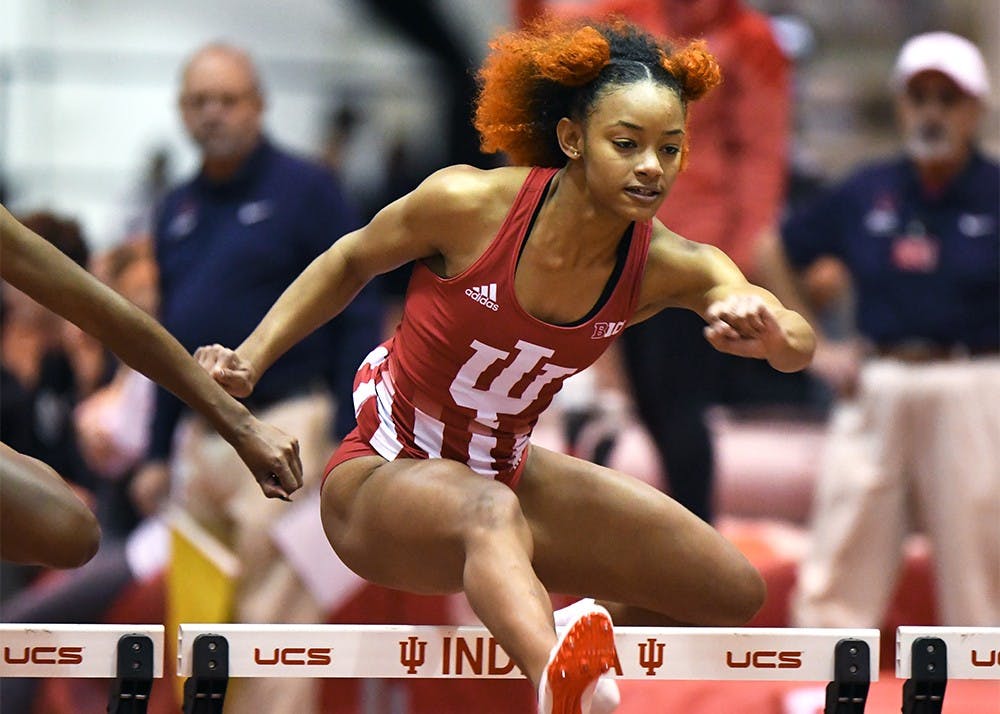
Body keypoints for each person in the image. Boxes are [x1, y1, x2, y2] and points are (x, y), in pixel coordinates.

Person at [195, 17, 815, 714]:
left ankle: (580, 638)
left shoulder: (670, 263)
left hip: (506, 472)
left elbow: (792, 338)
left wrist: (769, 330)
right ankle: (562, 687)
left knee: (730, 589)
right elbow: (350, 259)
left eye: (671, 149)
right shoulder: (470, 205)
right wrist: (250, 356)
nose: (652, 167)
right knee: (489, 510)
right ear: (573, 138)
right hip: (380, 481)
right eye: (627, 143)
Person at [130, 42, 382, 714]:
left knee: (276, 615)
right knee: (198, 612)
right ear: (182, 111)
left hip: (286, 426)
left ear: (259, 104)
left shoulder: (309, 190)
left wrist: (349, 431)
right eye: (198, 102)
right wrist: (156, 451)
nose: (213, 114)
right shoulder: (176, 207)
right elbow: (165, 343)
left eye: (227, 100)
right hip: (197, 433)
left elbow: (357, 309)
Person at [755, 31, 999, 630]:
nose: (933, 112)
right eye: (920, 98)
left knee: (983, 539)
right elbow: (772, 247)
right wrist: (816, 344)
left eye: (948, 98)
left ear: (975, 109)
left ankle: (988, 675)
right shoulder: (868, 189)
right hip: (877, 377)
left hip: (975, 380)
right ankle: (820, 675)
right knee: (847, 531)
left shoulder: (996, 192)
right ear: (901, 106)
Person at [517, 0, 795, 523]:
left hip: (686, 249)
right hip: (605, 239)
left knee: (675, 411)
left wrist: (725, 276)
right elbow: (543, 40)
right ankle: (594, 560)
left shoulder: (750, 40)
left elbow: (761, 157)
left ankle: (696, 558)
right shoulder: (626, 15)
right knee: (606, 405)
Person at [0, 203, 302, 569]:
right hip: (138, 513)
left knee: (72, 533)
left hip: (141, 522)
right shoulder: (49, 366)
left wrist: (238, 423)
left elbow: (104, 312)